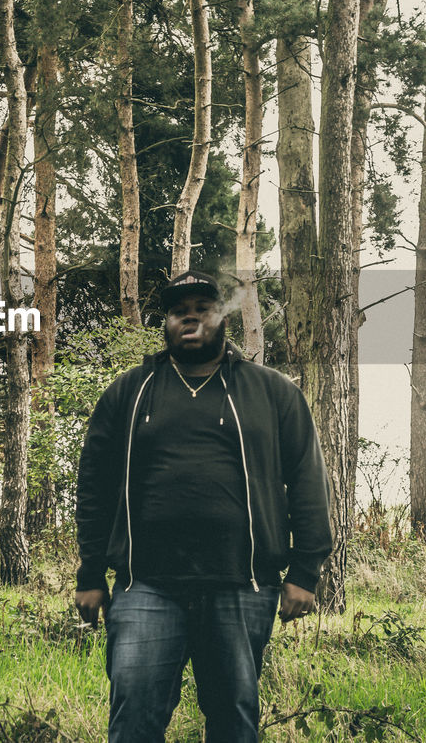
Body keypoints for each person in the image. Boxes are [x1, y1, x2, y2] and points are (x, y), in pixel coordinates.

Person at [73, 269, 333, 743]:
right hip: (145, 586)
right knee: (133, 716)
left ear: (223, 318)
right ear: (166, 323)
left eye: (202, 309)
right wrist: (90, 576)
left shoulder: (273, 392)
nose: (189, 318)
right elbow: (94, 485)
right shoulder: (129, 392)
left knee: (233, 720)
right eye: (177, 311)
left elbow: (307, 481)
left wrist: (304, 572)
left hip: (241, 585)